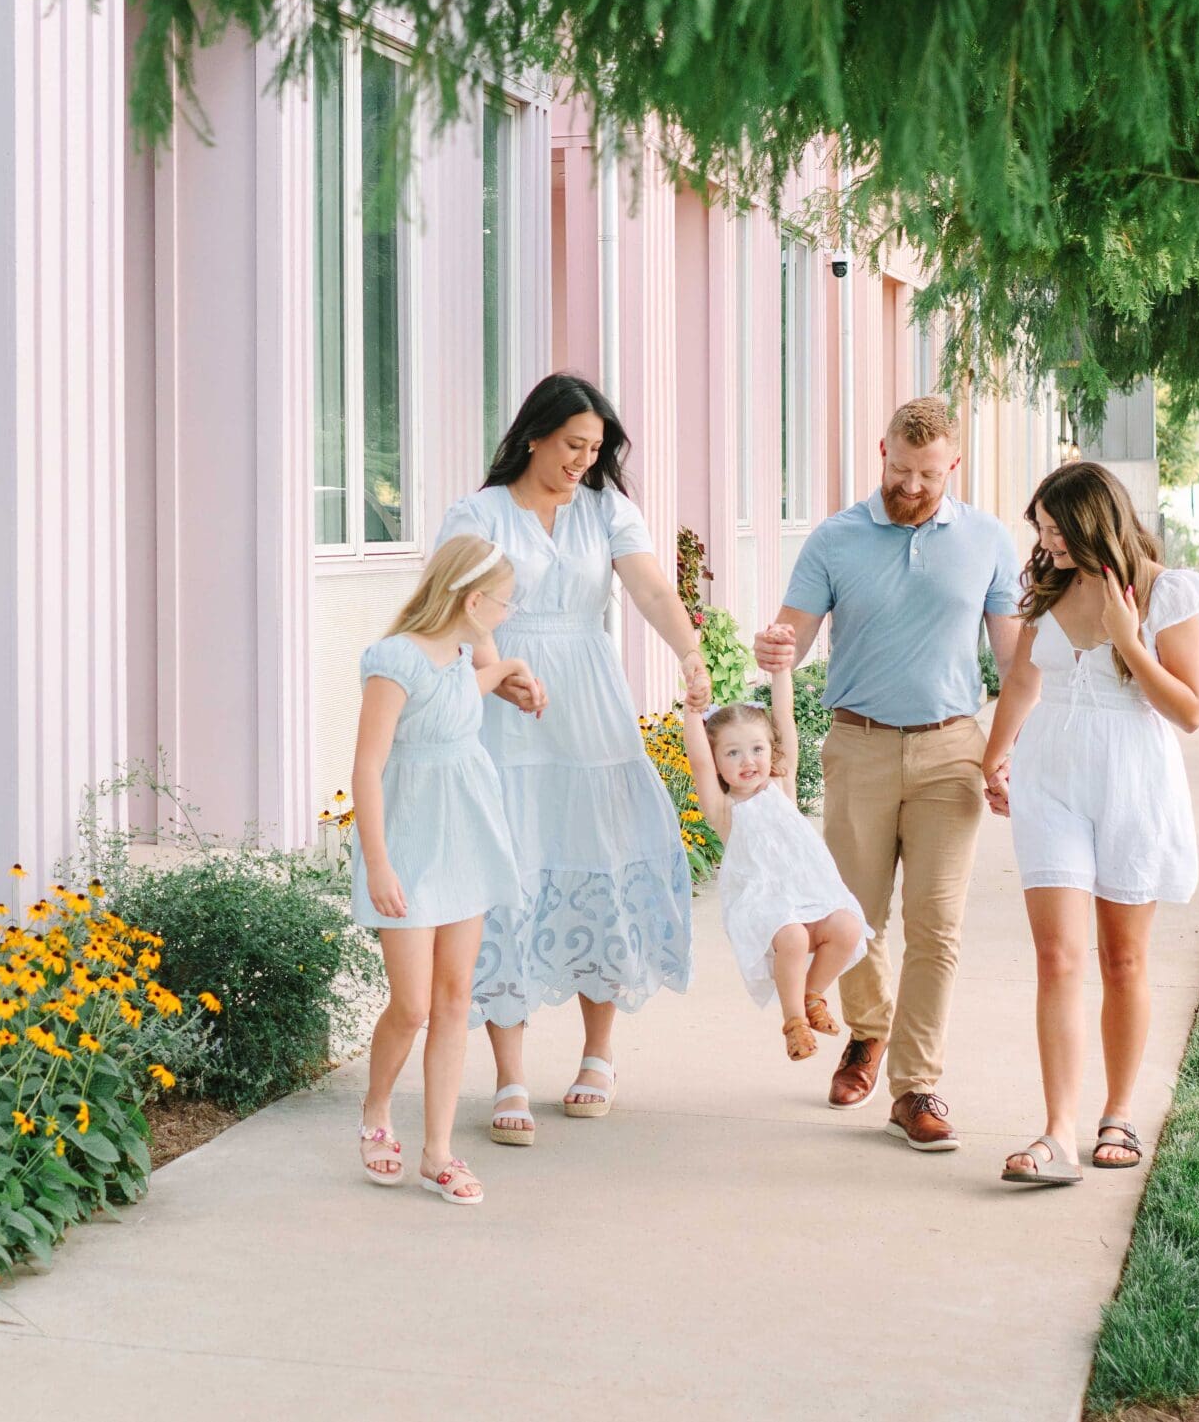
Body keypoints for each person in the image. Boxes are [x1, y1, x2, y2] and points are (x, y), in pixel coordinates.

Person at [441, 373, 706, 1145]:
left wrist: (690, 651)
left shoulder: (606, 510)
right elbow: (459, 602)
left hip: (588, 700)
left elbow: (652, 589)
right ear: (534, 435)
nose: (582, 462)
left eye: (594, 450)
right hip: (505, 702)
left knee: (598, 861)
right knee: (511, 870)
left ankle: (598, 1055)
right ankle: (510, 1074)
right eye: (571, 446)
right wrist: (498, 670)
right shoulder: (480, 512)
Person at [754, 397, 1023, 1152]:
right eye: (900, 469)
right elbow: (791, 638)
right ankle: (867, 1034)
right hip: (859, 745)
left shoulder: (988, 540)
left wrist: (1006, 752)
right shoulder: (837, 538)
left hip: (951, 753)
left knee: (936, 926)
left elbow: (1012, 662)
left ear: (954, 465)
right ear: (881, 452)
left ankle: (916, 1085)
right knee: (855, 917)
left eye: (928, 473)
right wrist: (774, 649)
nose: (911, 484)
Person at [982, 461, 1199, 1187]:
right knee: (1058, 958)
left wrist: (1128, 637)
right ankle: (1057, 1132)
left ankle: (1117, 1112)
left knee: (1123, 960)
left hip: (1132, 781)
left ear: (1093, 522)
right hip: (1051, 776)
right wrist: (993, 758)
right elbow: (1024, 678)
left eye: (1056, 528)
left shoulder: (1160, 591)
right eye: (1042, 529)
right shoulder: (1049, 584)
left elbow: (1189, 710)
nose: (1046, 541)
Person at [350, 534, 541, 1206]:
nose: (508, 610)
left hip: (467, 841)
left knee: (456, 997)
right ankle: (376, 1111)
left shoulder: (462, 655)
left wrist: (509, 668)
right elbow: (368, 766)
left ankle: (437, 1150)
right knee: (412, 1004)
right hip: (409, 845)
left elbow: (467, 684)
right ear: (471, 598)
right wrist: (379, 862)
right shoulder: (396, 658)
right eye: (505, 601)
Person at [680, 659, 872, 1062]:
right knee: (795, 938)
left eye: (757, 749)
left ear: (772, 751)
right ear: (717, 763)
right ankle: (794, 1022)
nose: (748, 760)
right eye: (732, 753)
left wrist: (782, 670)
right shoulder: (724, 807)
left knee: (849, 927)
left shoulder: (782, 785)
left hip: (808, 892)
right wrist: (692, 710)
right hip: (763, 903)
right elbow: (697, 758)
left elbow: (784, 718)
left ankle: (813, 994)